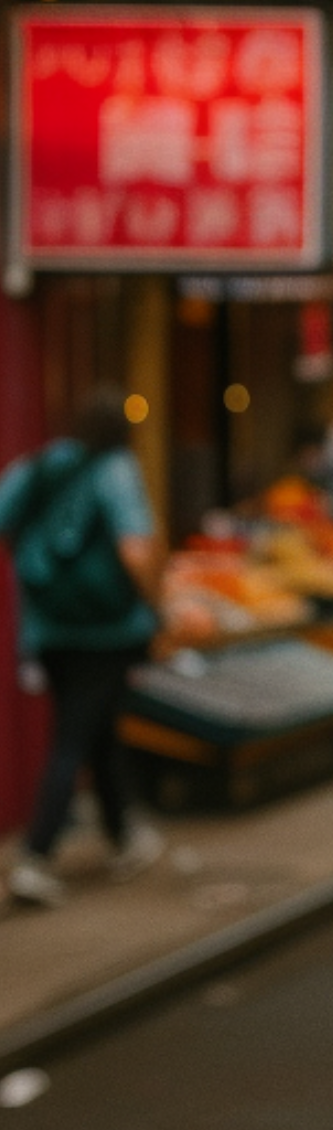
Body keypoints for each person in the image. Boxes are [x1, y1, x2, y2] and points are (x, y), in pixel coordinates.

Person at [1, 385, 167, 907]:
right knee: (74, 736)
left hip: (48, 630)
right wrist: (157, 607)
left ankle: (124, 835)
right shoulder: (116, 469)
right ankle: (36, 855)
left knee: (97, 728)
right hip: (107, 632)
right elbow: (136, 551)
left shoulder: (42, 465)